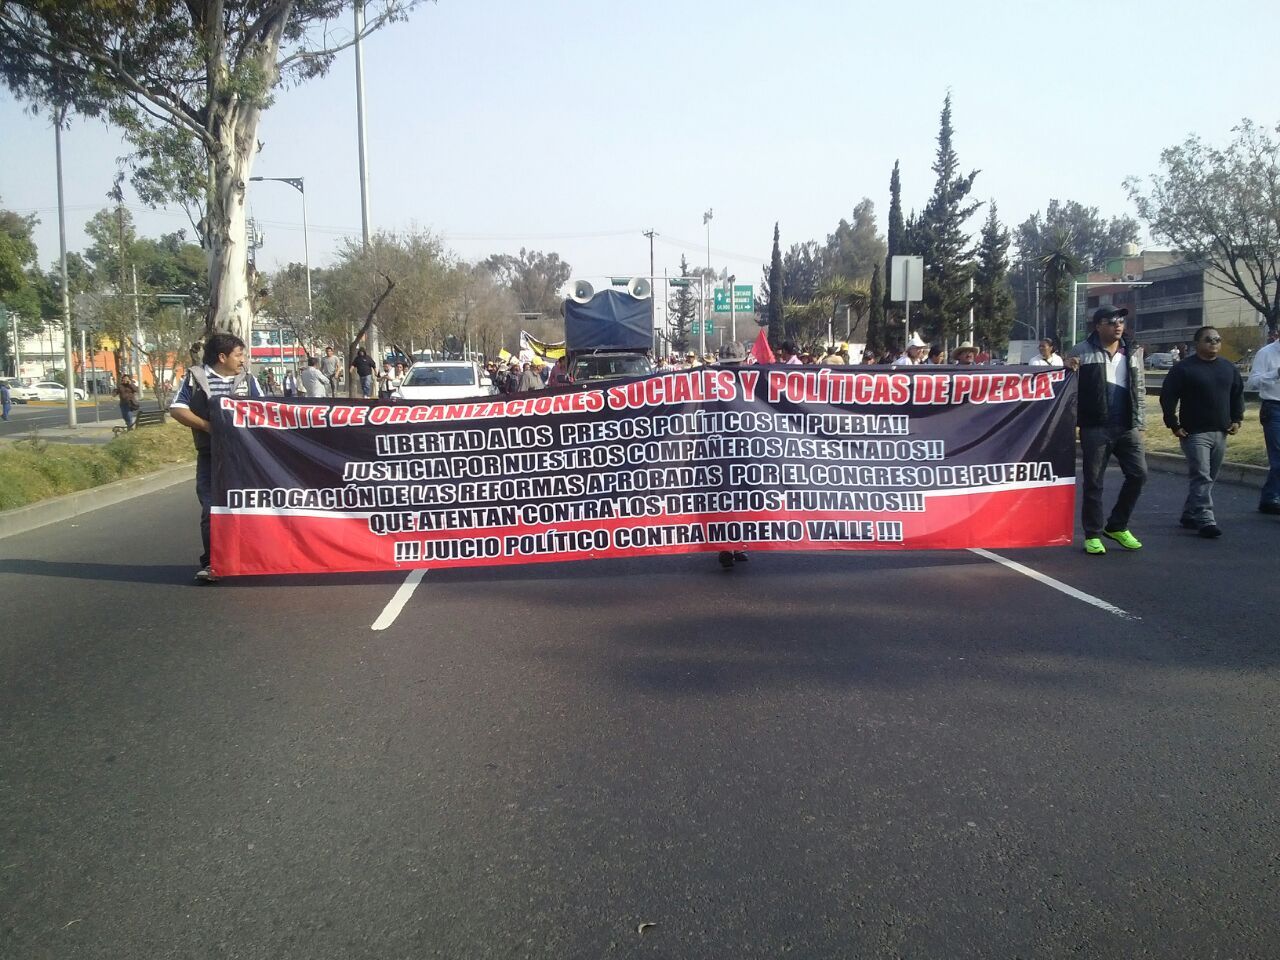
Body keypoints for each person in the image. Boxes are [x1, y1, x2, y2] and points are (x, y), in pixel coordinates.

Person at [168, 332, 264, 583]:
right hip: (211, 455)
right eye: (239, 354)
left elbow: (265, 411)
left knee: (250, 506)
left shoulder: (248, 381)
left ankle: (250, 558)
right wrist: (208, 426)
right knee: (211, 507)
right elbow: (177, 409)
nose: (243, 360)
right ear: (222, 357)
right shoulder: (195, 379)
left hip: (244, 456)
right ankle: (213, 562)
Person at [1065, 307, 1147, 555]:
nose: (1117, 325)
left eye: (1121, 321)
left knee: (1139, 475)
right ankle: (1092, 534)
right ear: (1098, 326)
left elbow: (1139, 387)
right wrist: (1066, 368)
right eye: (1111, 321)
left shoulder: (1132, 351)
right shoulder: (1082, 351)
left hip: (1127, 426)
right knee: (1094, 482)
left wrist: (1140, 422)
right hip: (1095, 427)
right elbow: (1066, 389)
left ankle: (1118, 526)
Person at [1159, 326, 1243, 538]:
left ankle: (1189, 513)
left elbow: (1237, 394)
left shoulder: (1228, 368)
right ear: (1197, 343)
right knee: (1202, 475)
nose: (1213, 343)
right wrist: (1173, 424)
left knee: (1208, 477)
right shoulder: (1184, 369)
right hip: (1194, 433)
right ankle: (1206, 518)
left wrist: (1237, 419)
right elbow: (1168, 396)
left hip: (1221, 431)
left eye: (1217, 339)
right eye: (1208, 339)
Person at [714, 340, 751, 569]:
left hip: (741, 447)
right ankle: (727, 546)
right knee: (728, 497)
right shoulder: (709, 380)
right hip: (722, 448)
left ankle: (734, 545)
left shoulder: (754, 380)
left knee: (738, 498)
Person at [1245, 330, 1280, 515]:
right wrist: (1276, 373)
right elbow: (1252, 383)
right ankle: (1272, 497)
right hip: (1274, 408)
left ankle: (1270, 497)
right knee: (1278, 458)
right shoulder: (1266, 353)